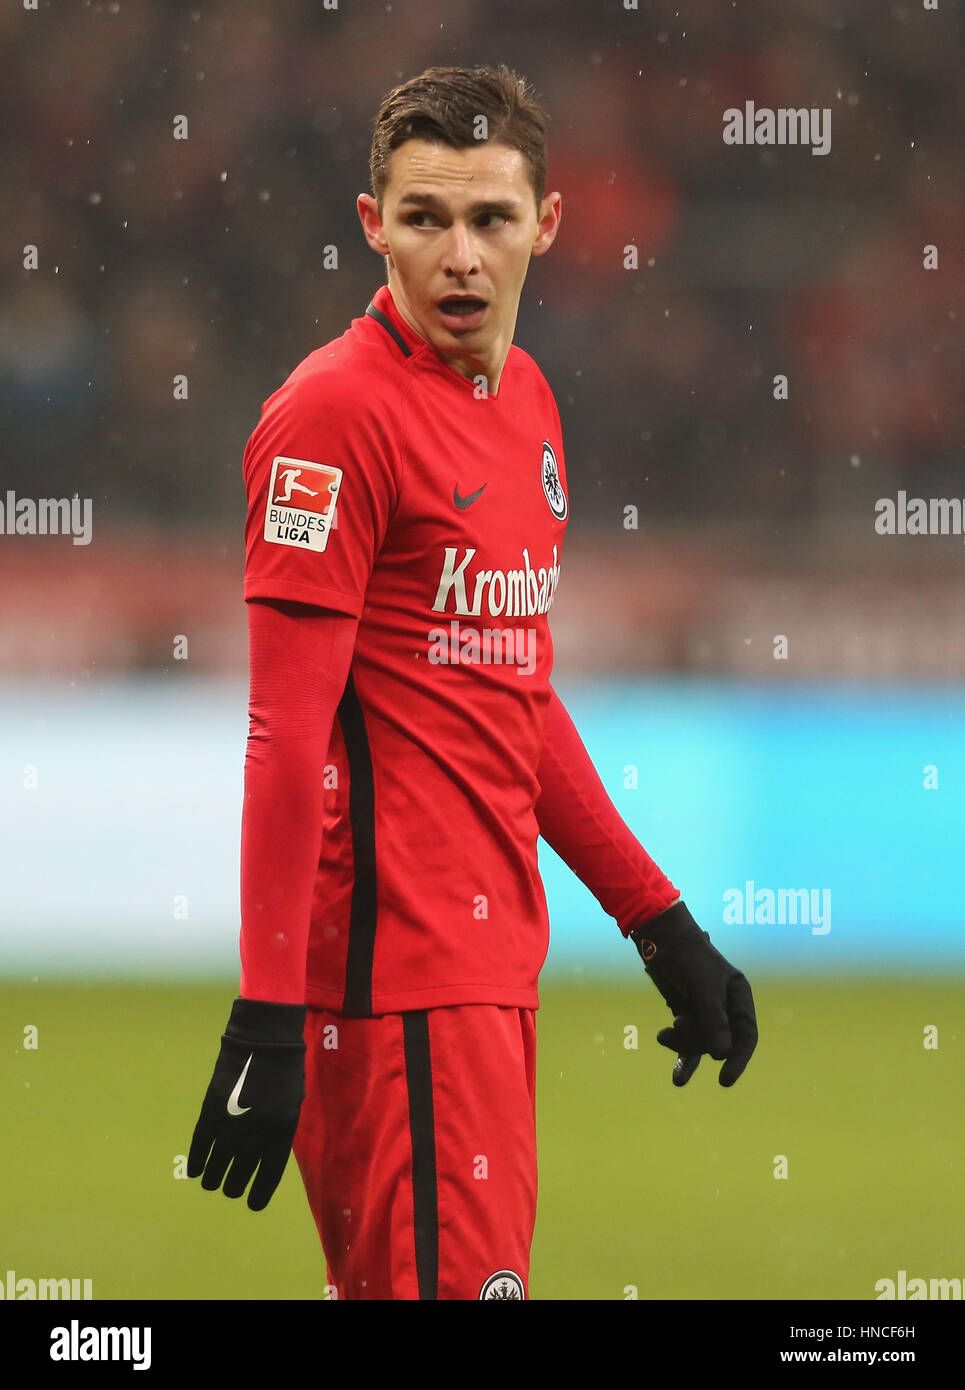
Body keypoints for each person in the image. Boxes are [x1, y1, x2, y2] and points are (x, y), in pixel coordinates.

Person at [186, 62, 757, 1301]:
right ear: (369, 223)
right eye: (424, 218)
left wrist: (660, 928)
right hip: (398, 1000)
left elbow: (516, 697)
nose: (458, 255)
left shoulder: (529, 403)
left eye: (489, 219)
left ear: (544, 226)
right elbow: (283, 737)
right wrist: (267, 1017)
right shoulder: (330, 418)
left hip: (492, 982)